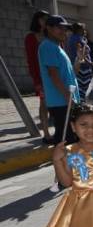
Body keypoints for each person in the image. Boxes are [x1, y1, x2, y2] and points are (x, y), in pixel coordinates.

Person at [38, 15, 80, 145]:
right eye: (59, 28)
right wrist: (67, 96)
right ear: (49, 28)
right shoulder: (48, 46)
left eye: (65, 28)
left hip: (65, 100)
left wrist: (79, 59)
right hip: (60, 101)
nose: (63, 31)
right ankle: (63, 165)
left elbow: (70, 73)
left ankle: (67, 164)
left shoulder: (57, 47)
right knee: (65, 141)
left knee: (70, 138)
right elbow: (53, 75)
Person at [25, 10, 52, 143]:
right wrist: (36, 80)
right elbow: (31, 60)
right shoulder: (31, 37)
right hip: (41, 78)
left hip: (55, 76)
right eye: (44, 19)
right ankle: (46, 133)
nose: (46, 22)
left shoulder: (51, 36)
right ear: (38, 20)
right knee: (44, 104)